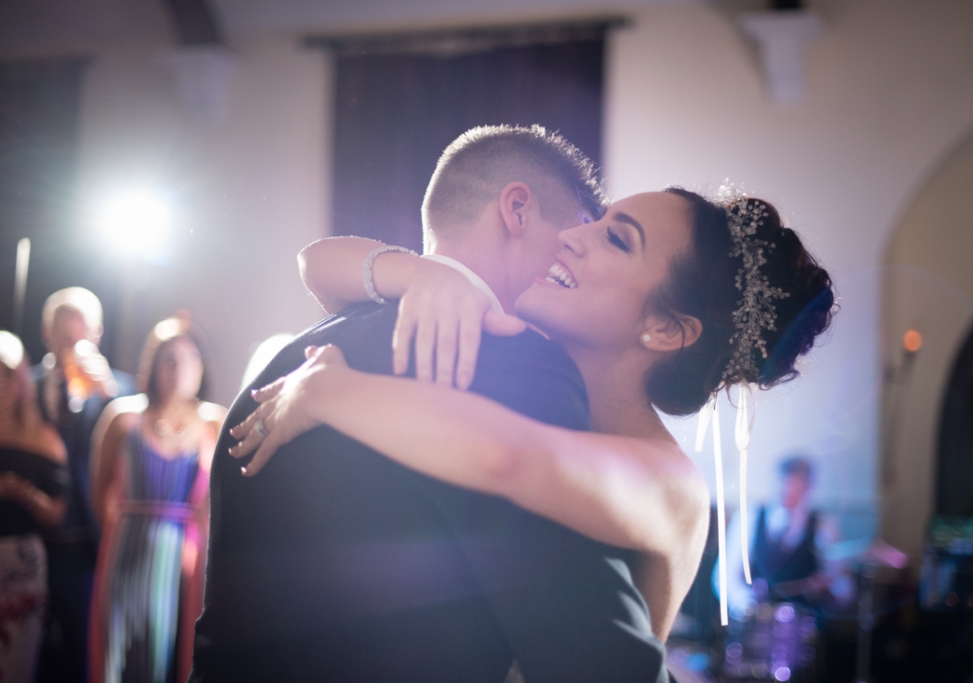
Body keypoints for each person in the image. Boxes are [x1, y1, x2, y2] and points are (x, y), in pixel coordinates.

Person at [231, 184, 835, 644]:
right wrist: (424, 273)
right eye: (596, 222)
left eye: (616, 239)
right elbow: (318, 265)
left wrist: (328, 391)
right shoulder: (514, 354)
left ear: (664, 329)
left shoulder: (672, 486)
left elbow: (512, 459)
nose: (574, 236)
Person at [191, 125, 676, 683]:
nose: (574, 254)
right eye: (576, 234)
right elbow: (584, 645)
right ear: (517, 209)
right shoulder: (516, 368)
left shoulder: (293, 353)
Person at [87, 315, 223, 683]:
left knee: (177, 655)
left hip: (186, 561)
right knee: (120, 654)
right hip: (126, 552)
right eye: (169, 358)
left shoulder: (214, 422)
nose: (179, 368)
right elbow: (98, 490)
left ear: (202, 367)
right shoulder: (123, 417)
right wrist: (122, 536)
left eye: (189, 358)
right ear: (153, 364)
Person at [33, 287, 135, 683]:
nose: (76, 346)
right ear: (47, 334)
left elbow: (139, 452)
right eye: (65, 337)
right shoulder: (20, 385)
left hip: (89, 547)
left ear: (99, 334)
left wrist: (109, 394)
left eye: (85, 336)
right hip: (31, 542)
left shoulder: (123, 392)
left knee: (84, 657)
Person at [0, 331, 68, 682]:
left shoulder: (44, 438)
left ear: (20, 380)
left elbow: (57, 515)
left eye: (6, 375)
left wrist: (24, 493)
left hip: (21, 564)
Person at [724, 456, 851, 617]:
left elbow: (842, 585)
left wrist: (829, 591)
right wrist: (747, 604)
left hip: (803, 624)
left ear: (807, 487)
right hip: (753, 621)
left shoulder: (823, 525)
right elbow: (726, 575)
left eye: (795, 486)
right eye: (783, 484)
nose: (786, 491)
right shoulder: (749, 517)